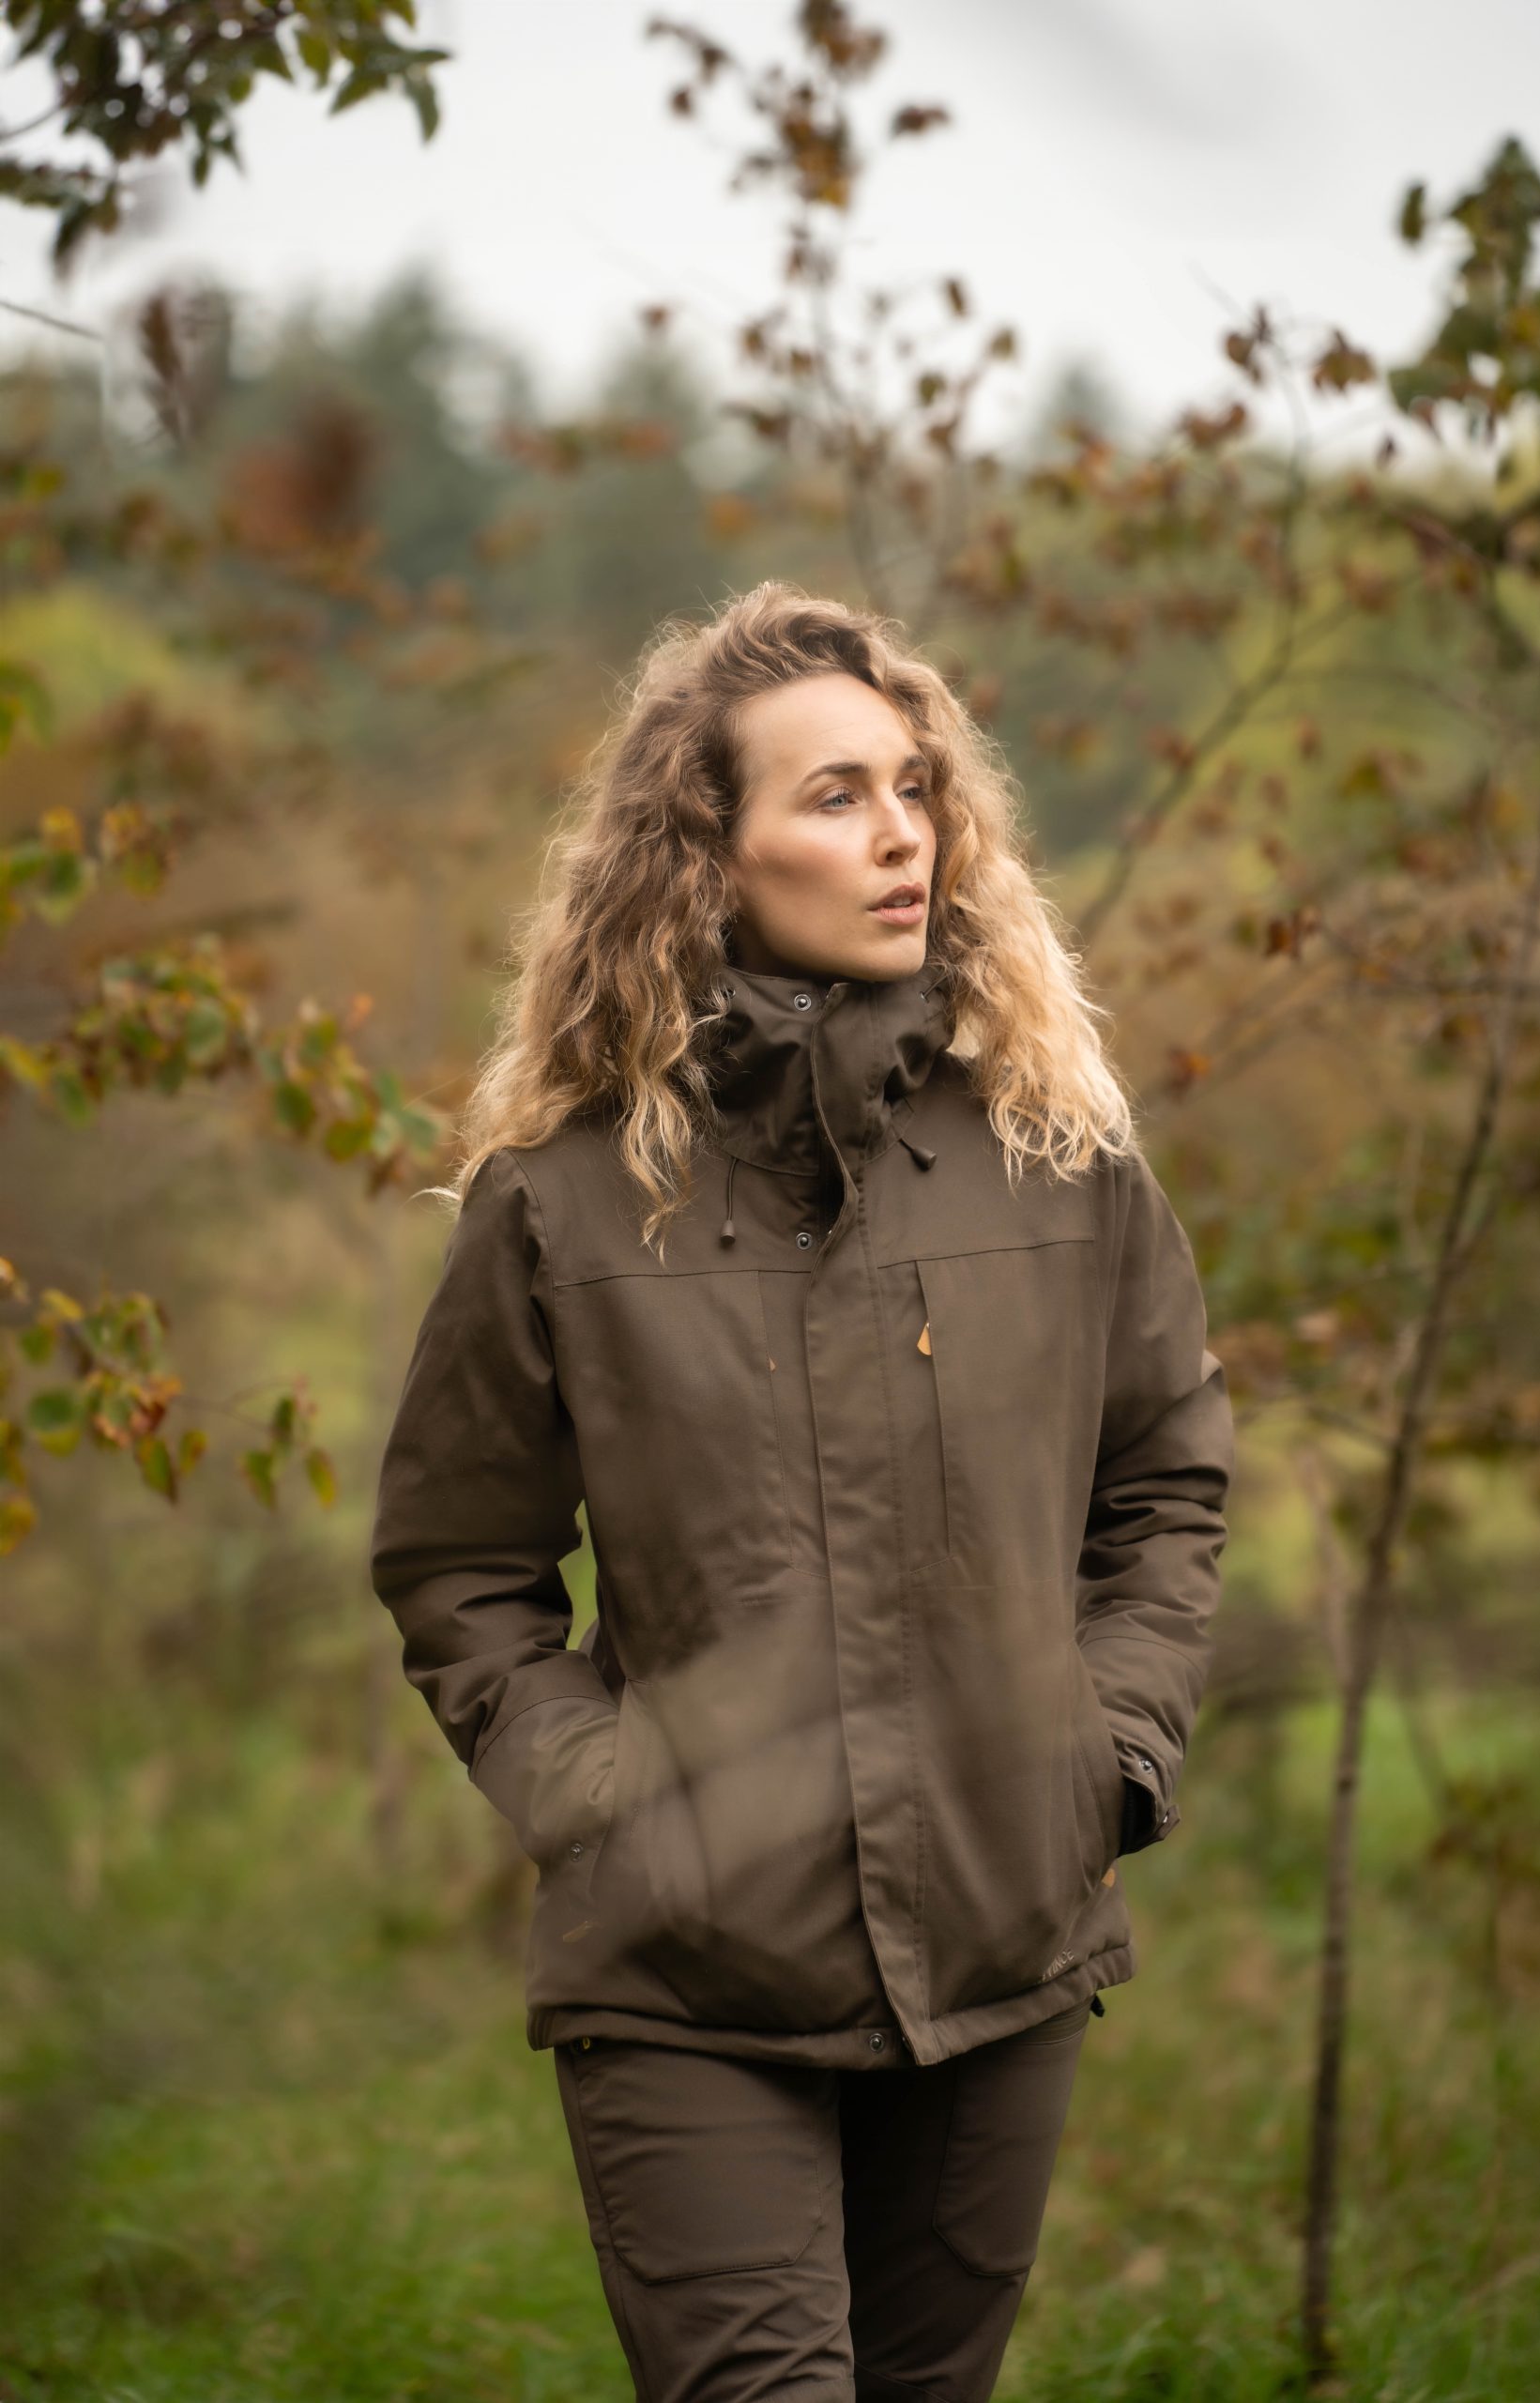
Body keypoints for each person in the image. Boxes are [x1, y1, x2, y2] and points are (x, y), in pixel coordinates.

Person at [368, 579, 1233, 2402]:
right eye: (835, 794)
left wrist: (1102, 1752)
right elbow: (459, 1560)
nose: (901, 831)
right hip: (687, 1972)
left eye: (915, 786)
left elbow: (1164, 1481)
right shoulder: (565, 1197)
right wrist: (599, 1797)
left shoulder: (1057, 1157)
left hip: (1001, 1939)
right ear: (706, 851)